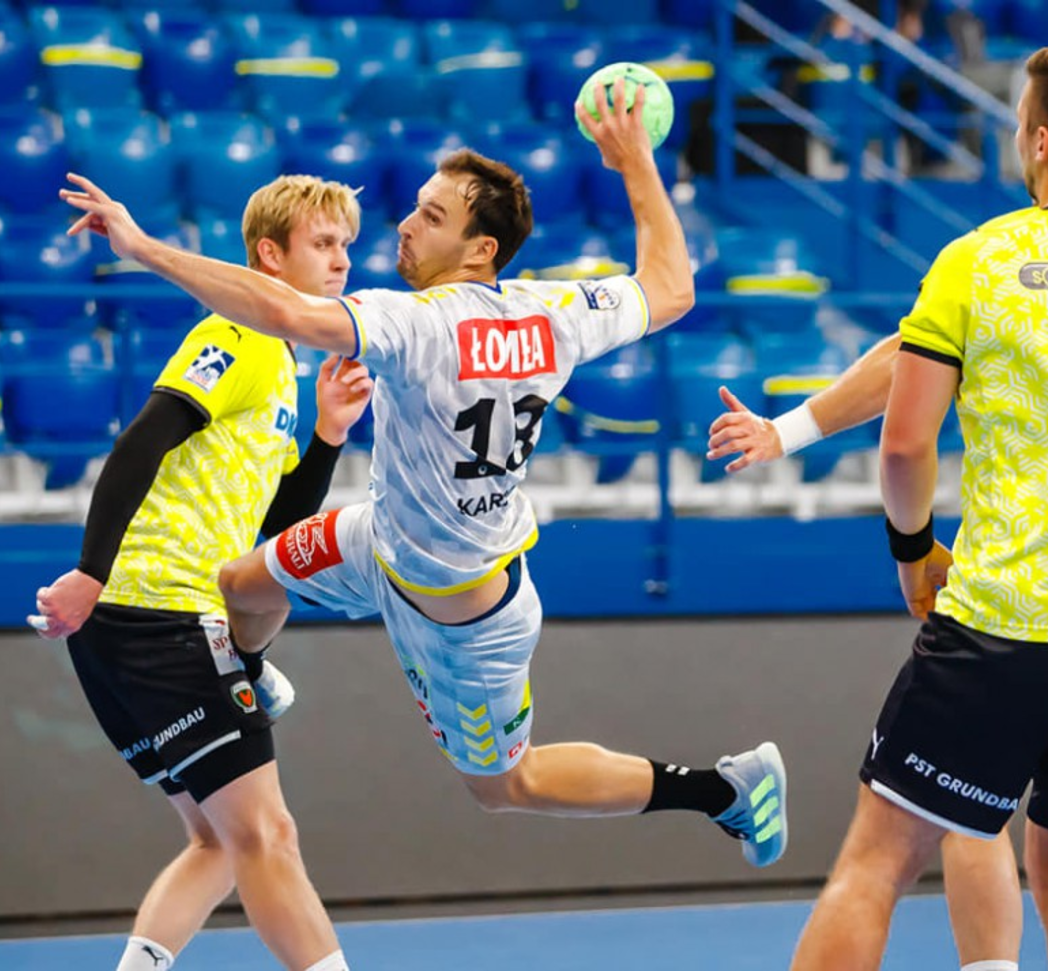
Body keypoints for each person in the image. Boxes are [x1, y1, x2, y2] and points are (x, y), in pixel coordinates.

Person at [59, 79, 790, 865]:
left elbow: (284, 311)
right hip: (381, 535)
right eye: (415, 206)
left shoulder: (414, 322)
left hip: (462, 612)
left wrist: (144, 248)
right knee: (239, 583)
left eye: (432, 217)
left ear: (481, 250)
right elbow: (671, 288)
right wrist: (636, 161)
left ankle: (724, 788)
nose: (405, 224)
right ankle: (251, 675)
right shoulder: (555, 312)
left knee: (506, 785)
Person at [30, 175, 374, 971]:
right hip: (160, 614)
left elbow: (274, 530)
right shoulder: (240, 333)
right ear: (269, 256)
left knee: (218, 841)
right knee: (268, 834)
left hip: (145, 625)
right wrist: (90, 570)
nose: (342, 260)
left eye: (346, 245)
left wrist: (327, 434)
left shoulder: (283, 365)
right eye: (323, 243)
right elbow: (140, 441)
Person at [788, 44, 1048, 971]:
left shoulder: (978, 260)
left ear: (1041, 140)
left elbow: (906, 443)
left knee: (875, 863)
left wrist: (913, 548)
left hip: (1005, 618)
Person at [706, 338, 1025, 969]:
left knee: (884, 856)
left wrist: (912, 550)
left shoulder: (986, 280)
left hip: (1016, 602)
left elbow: (908, 401)